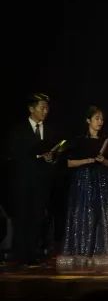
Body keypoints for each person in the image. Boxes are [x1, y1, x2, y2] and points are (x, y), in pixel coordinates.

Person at [6, 93, 62, 265]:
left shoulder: (51, 131)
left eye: (47, 108)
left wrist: (51, 158)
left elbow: (56, 156)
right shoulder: (18, 131)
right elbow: (14, 156)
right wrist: (37, 155)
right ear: (31, 109)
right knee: (22, 217)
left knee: (38, 218)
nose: (45, 111)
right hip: (23, 182)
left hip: (43, 183)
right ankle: (20, 254)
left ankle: (34, 253)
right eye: (42, 107)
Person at [58, 106, 108, 267]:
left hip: (101, 181)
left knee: (101, 215)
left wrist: (103, 160)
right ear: (88, 120)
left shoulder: (106, 141)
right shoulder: (78, 141)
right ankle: (82, 251)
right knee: (83, 214)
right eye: (97, 118)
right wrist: (88, 160)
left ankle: (98, 251)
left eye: (102, 119)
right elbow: (68, 163)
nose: (100, 121)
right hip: (83, 181)